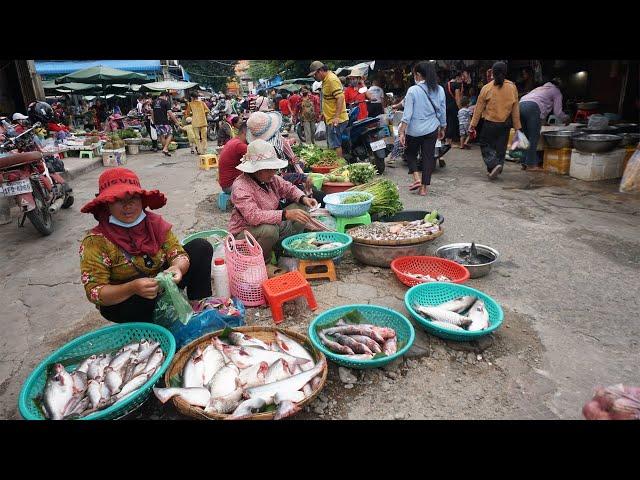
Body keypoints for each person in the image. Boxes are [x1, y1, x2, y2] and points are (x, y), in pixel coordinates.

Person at [79, 167, 213, 323]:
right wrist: (132, 288)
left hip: (163, 287)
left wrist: (177, 267)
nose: (127, 205)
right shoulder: (95, 241)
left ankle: (197, 306)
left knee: (201, 247)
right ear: (106, 204)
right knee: (139, 304)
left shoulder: (154, 224)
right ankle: (151, 327)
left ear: (141, 200)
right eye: (118, 200)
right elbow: (94, 291)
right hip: (129, 302)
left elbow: (177, 253)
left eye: (133, 198)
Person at [228, 139, 318, 270]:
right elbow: (253, 216)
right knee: (269, 230)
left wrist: (304, 198)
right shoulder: (241, 187)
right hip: (245, 233)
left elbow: (288, 188)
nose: (273, 172)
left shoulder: (270, 179)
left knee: (301, 210)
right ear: (257, 170)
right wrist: (285, 214)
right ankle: (262, 264)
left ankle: (284, 250)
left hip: (272, 224)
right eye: (269, 169)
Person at [246, 111, 324, 206]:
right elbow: (278, 177)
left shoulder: (271, 144)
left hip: (280, 186)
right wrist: (302, 177)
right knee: (320, 197)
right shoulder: (265, 149)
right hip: (276, 192)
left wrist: (292, 162)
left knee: (313, 192)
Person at [397, 61, 446, 197]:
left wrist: (401, 131)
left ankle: (417, 179)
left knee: (410, 154)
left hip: (414, 130)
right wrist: (443, 126)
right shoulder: (440, 89)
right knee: (428, 157)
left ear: (418, 75)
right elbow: (442, 111)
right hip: (432, 129)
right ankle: (424, 188)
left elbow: (407, 115)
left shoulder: (413, 90)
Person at [469, 61, 522, 180]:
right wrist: (518, 127)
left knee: (485, 144)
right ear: (505, 72)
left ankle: (493, 165)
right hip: (505, 124)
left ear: (492, 73)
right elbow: (515, 109)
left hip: (490, 124)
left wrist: (472, 125)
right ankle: (497, 168)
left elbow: (478, 109)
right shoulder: (512, 87)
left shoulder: (486, 88)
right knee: (500, 147)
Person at [518, 78, 569, 171]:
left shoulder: (540, 88)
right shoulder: (556, 91)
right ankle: (531, 165)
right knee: (533, 136)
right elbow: (558, 112)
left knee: (524, 136)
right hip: (533, 107)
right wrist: (567, 118)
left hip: (520, 104)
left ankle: (523, 162)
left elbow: (541, 106)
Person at [308, 61, 349, 157]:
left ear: (321, 71)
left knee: (335, 145)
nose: (314, 77)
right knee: (331, 145)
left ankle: (339, 167)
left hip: (335, 120)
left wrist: (336, 117)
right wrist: (323, 113)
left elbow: (340, 97)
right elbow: (328, 99)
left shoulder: (331, 80)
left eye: (315, 74)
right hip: (329, 118)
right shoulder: (326, 80)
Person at [218, 121, 248, 193]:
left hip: (225, 184)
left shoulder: (234, 140)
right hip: (231, 186)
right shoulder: (240, 145)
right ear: (245, 132)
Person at [153, 92, 178, 156]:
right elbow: (170, 113)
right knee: (171, 133)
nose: (167, 99)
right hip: (164, 121)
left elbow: (152, 112)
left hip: (156, 122)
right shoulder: (166, 102)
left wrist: (154, 121)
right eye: (167, 97)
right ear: (165, 96)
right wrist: (176, 121)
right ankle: (165, 148)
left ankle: (165, 150)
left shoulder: (154, 102)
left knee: (161, 135)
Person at [444, 71, 463, 146]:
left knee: (448, 123)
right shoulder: (457, 85)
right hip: (453, 107)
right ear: (457, 77)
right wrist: (460, 108)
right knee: (452, 123)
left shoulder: (446, 84)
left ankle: (446, 140)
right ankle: (449, 141)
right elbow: (457, 99)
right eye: (460, 77)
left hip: (446, 106)